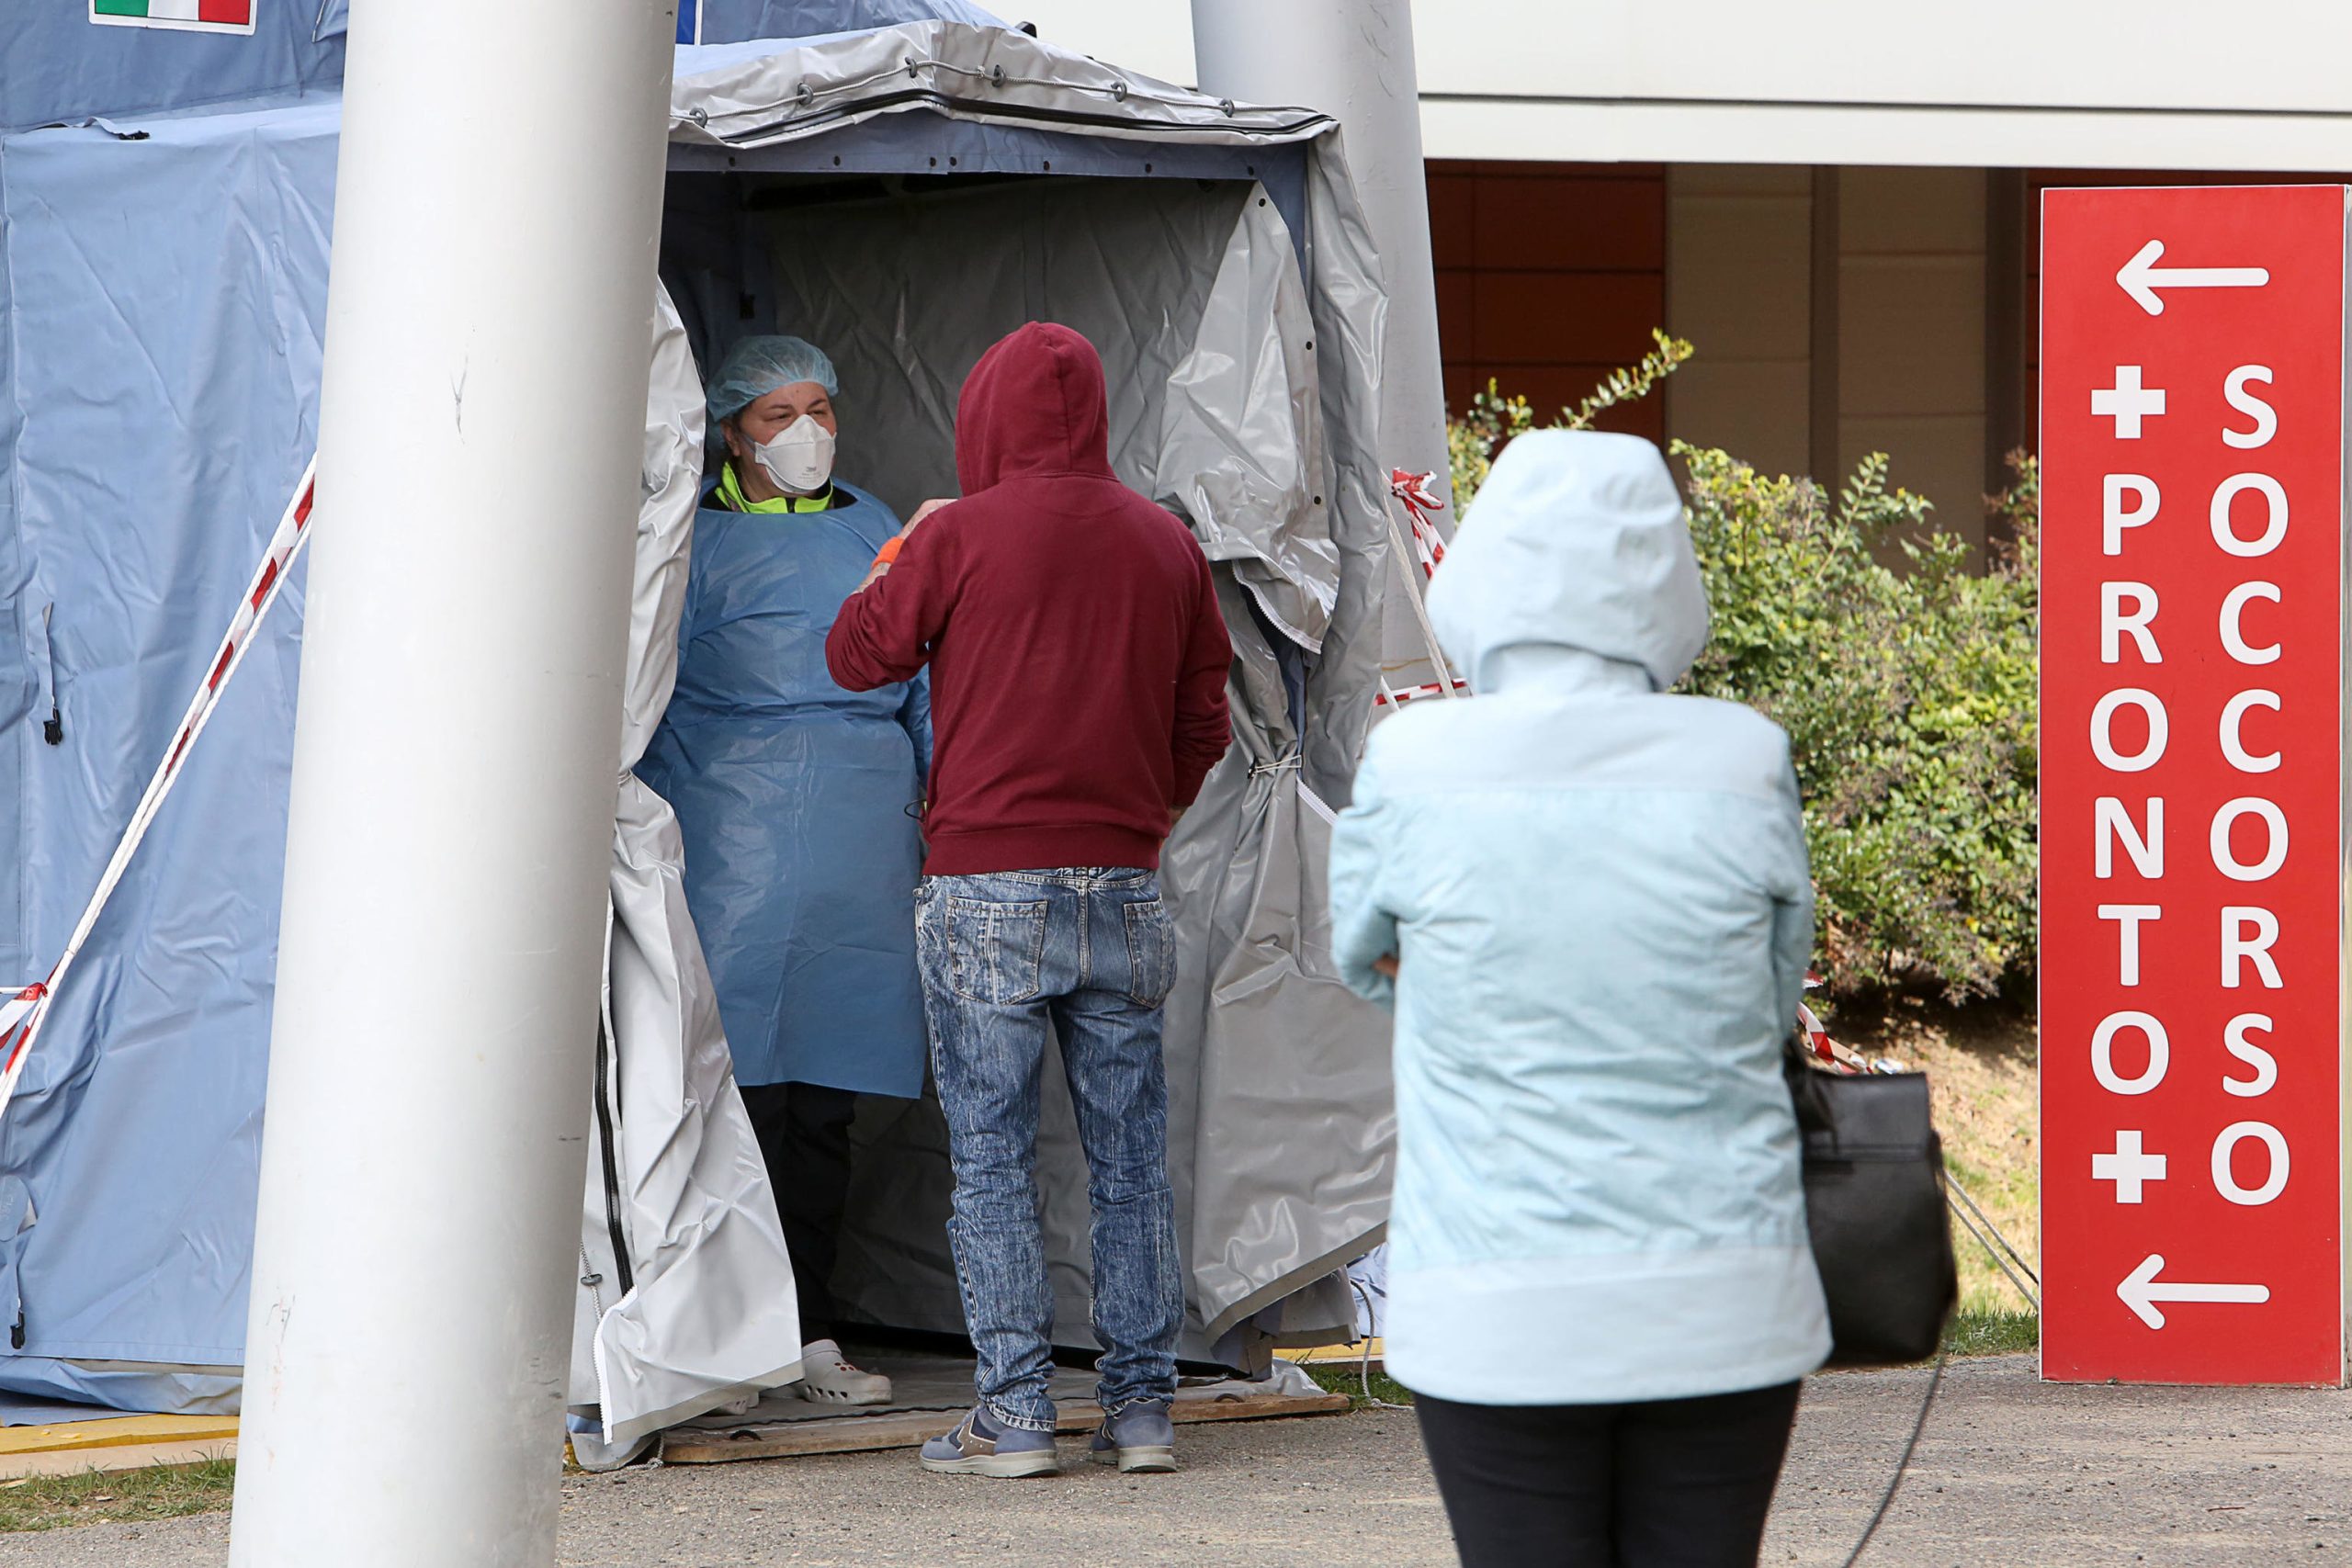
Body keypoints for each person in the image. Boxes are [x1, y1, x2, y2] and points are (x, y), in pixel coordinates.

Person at [1328, 430, 1830, 1567]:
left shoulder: (1411, 762)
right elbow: (1767, 997)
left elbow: (1364, 963)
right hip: (1721, 1295)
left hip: (1496, 1296)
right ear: (1666, 580)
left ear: (1484, 571)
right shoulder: (1742, 759)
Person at [825, 321, 1233, 1479]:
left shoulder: (953, 535)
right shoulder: (1165, 544)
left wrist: (894, 555)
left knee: (994, 1158)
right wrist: (1141, 813)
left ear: (984, 417)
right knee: (1129, 1159)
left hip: (985, 886)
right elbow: (1205, 717)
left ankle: (1013, 1415)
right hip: (1125, 885)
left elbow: (857, 656)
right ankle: (1142, 1413)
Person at [637, 334, 931, 1408]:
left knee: (823, 1101)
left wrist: (941, 801)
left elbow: (927, 684)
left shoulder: (874, 529)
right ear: (729, 431)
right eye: (776, 416)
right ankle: (714, 1333)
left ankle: (807, 1330)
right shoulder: (686, 541)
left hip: (862, 835)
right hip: (725, 829)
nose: (806, 432)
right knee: (726, 1086)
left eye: (821, 408)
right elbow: (642, 688)